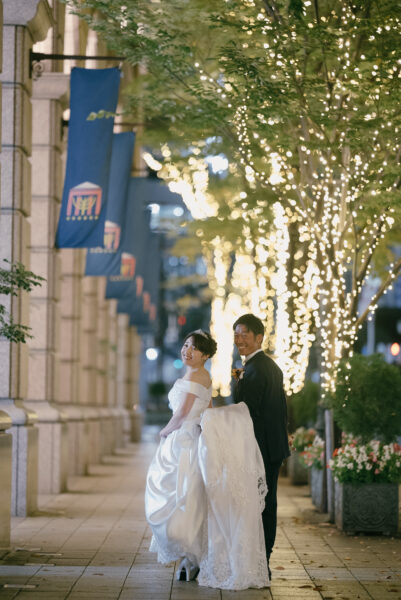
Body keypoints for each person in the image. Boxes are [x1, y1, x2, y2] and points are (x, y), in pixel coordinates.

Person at [145, 329, 269, 590]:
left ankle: (188, 559)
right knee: (193, 498)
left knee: (184, 498)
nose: (187, 351)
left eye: (194, 348)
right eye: (186, 345)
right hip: (192, 438)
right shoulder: (201, 375)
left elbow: (181, 415)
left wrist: (164, 431)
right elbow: (209, 409)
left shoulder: (195, 374)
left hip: (184, 441)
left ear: (205, 355)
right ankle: (190, 559)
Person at [233, 313, 291, 580]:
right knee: (266, 503)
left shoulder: (256, 369)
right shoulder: (267, 366)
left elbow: (248, 412)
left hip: (262, 449)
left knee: (263, 504)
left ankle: (262, 562)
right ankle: (260, 560)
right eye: (236, 333)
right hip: (271, 447)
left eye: (245, 333)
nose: (239, 339)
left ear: (259, 337)